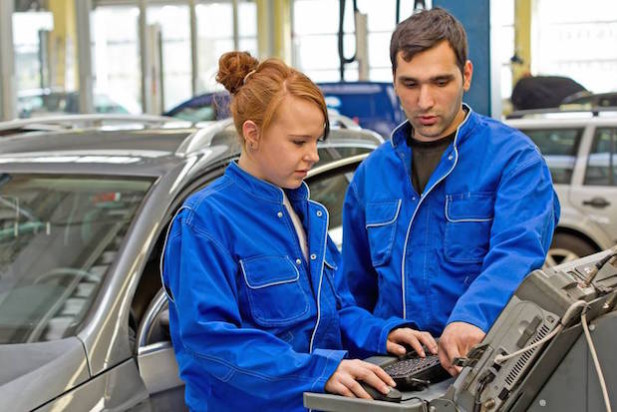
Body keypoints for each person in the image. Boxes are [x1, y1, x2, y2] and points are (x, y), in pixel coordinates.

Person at [162, 51, 437, 412]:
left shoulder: (309, 216)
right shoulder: (204, 222)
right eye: (298, 142)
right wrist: (318, 372)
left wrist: (383, 334)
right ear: (252, 134)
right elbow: (212, 343)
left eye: (316, 142)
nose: (313, 156)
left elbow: (337, 313)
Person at [340, 8, 560, 377]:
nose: (425, 101)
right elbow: (353, 291)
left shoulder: (514, 161)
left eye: (440, 82)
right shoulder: (371, 175)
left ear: (467, 75)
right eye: (410, 84)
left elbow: (517, 253)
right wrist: (372, 340)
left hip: (484, 367)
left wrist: (472, 317)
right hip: (395, 374)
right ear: (394, 81)